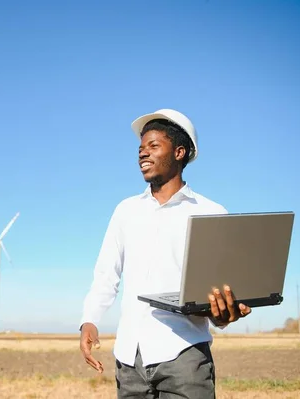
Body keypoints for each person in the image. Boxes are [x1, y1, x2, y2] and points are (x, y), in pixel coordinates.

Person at [78, 109, 251, 398]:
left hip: (184, 357)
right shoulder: (126, 210)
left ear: (180, 152)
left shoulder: (210, 212)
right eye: (141, 149)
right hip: (129, 362)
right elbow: (106, 274)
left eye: (153, 146)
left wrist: (223, 316)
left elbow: (219, 290)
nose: (143, 154)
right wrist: (89, 320)